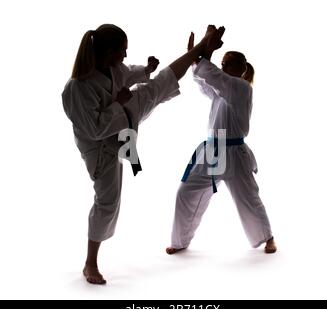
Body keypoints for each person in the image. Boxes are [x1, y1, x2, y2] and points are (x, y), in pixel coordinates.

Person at [62, 24, 225, 284]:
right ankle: (90, 263)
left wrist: (146, 71)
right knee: (108, 201)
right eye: (122, 51)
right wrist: (118, 102)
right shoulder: (76, 88)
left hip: (125, 114)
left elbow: (127, 73)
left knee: (161, 83)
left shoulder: (112, 68)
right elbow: (94, 129)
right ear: (107, 52)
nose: (125, 56)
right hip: (101, 146)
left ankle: (199, 50)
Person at [166, 27, 277, 256]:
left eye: (228, 63)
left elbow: (214, 76)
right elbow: (205, 81)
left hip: (235, 154)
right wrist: (196, 58)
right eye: (223, 62)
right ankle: (180, 240)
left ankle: (268, 238)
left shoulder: (242, 88)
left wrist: (202, 53)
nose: (224, 66)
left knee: (248, 199)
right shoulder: (222, 90)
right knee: (186, 192)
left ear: (241, 69)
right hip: (213, 151)